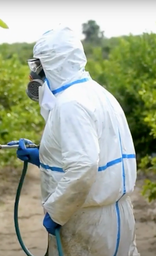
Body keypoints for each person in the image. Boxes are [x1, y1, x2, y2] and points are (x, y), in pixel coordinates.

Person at [13, 25, 140, 255]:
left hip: (87, 221)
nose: (35, 76)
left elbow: (84, 165)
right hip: (116, 214)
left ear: (52, 64)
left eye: (39, 67)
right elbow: (98, 154)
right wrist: (43, 156)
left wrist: (57, 211)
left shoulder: (70, 104)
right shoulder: (98, 93)